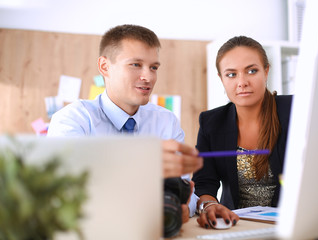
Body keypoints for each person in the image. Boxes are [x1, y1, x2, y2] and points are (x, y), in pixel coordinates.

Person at [47, 24, 203, 220]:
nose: (148, 77)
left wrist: (190, 206)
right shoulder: (72, 119)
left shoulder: (166, 121)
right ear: (105, 67)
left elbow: (183, 194)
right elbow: (70, 195)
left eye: (153, 67)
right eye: (135, 64)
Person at [192, 36, 292, 229]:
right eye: (231, 74)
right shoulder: (211, 123)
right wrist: (210, 205)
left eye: (252, 71)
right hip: (236, 227)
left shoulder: (295, 110)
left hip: (290, 227)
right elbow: (204, 182)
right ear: (221, 79)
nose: (242, 82)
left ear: (266, 71)